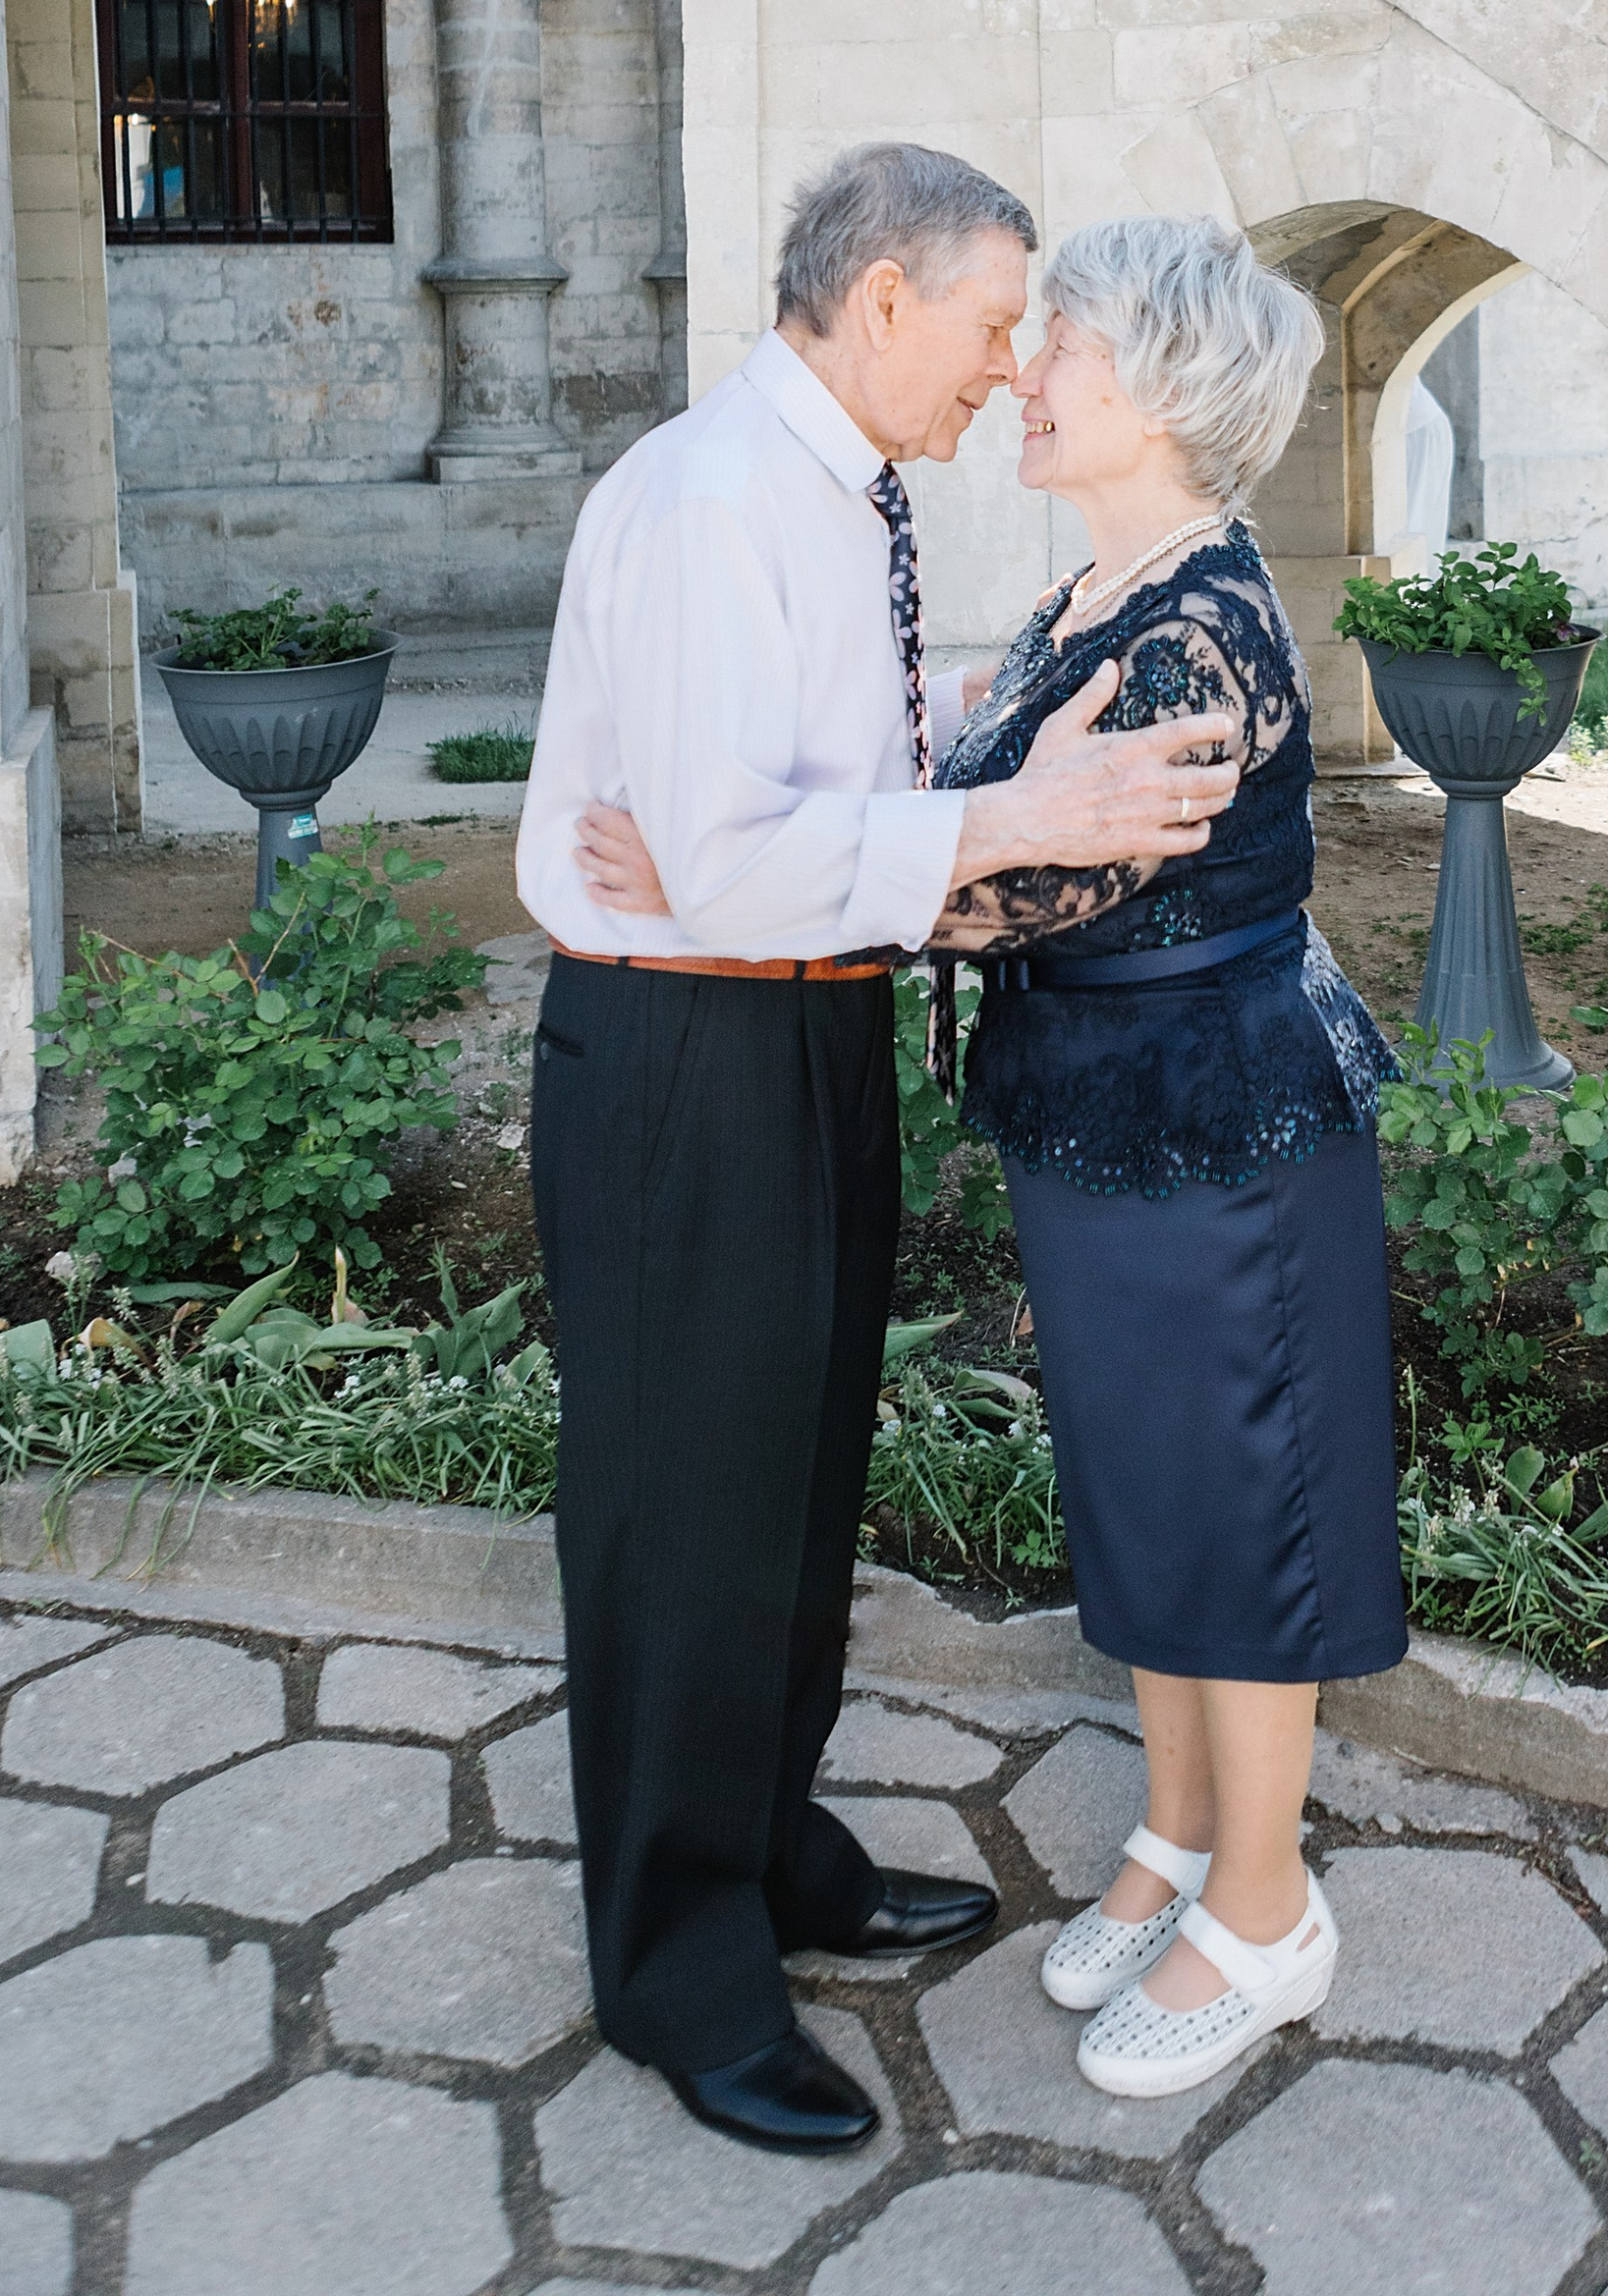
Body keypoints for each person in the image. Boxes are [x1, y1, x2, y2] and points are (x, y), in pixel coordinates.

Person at [582, 212, 1407, 2104]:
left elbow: (1015, 887)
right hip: (1105, 1119)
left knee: (1236, 1510)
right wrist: (798, 832)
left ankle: (1268, 1908)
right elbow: (962, 793)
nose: (1029, 371)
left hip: (1221, 1135)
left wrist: (717, 892)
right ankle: (1183, 1839)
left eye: (1071, 348)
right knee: (1148, 1493)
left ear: (1165, 392)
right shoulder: (1092, 599)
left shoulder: (1197, 635)